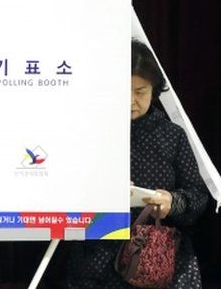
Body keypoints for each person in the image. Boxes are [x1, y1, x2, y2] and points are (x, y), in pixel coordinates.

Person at [66, 40, 210, 288]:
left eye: (140, 91)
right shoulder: (89, 131)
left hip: (158, 255)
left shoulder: (171, 135)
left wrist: (172, 203)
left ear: (155, 89)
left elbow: (198, 196)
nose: (131, 101)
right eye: (122, 91)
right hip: (97, 253)